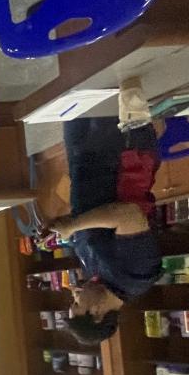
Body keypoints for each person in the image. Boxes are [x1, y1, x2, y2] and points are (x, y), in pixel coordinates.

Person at [49, 78, 162, 345]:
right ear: (98, 313)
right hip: (119, 156)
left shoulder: (96, 276)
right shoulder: (136, 276)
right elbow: (128, 215)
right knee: (106, 76)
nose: (75, 295)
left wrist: (65, 226)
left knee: (74, 84)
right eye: (77, 304)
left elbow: (88, 227)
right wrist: (74, 226)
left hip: (84, 162)